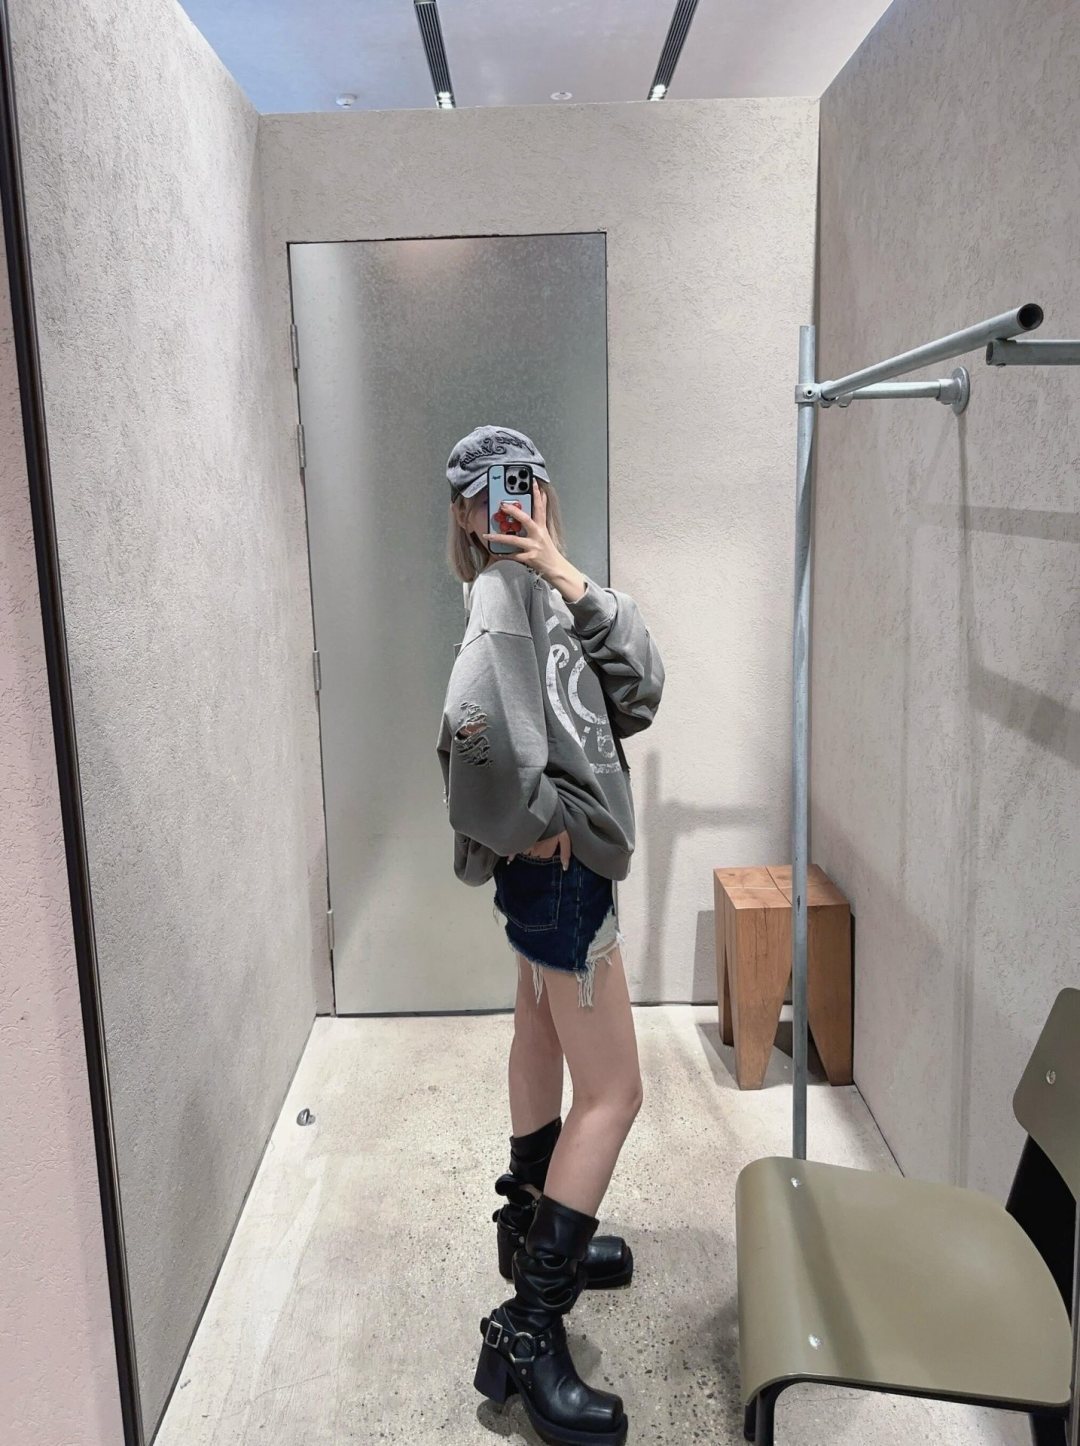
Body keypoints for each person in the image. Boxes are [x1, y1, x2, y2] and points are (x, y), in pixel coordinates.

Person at [436, 425, 664, 1446]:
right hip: (565, 880)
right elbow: (469, 735)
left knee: (537, 1031)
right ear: (463, 509)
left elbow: (639, 691)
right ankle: (529, 1329)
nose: (510, 500)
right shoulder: (500, 598)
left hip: (555, 881)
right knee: (615, 1092)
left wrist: (567, 571)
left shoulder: (541, 587)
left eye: (524, 480)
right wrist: (533, 827)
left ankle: (530, 1229)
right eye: (489, 488)